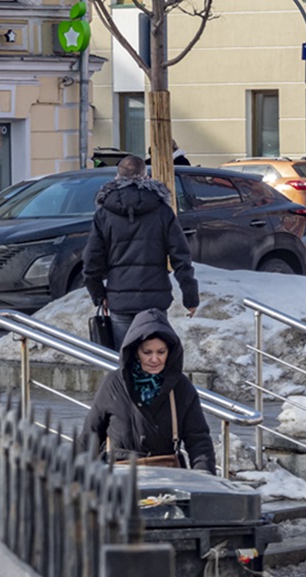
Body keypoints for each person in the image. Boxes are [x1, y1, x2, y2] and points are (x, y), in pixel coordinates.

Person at [79, 308, 216, 474]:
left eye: (161, 352)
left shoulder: (180, 386)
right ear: (136, 351)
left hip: (167, 476)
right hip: (119, 478)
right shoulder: (114, 383)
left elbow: (198, 439)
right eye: (147, 352)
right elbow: (91, 434)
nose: (154, 359)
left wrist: (204, 477)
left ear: (170, 352)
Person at [83, 154, 199, 349]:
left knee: (125, 360)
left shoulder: (104, 214)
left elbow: (91, 261)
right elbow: (181, 257)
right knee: (153, 358)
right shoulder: (162, 211)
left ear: (117, 178)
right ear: (145, 177)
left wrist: (98, 294)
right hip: (154, 300)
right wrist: (190, 296)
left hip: (120, 299)